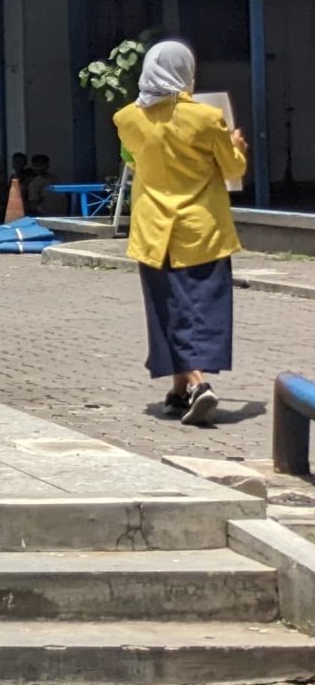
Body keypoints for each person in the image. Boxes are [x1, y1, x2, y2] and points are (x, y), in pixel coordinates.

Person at [115, 40, 249, 427]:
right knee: (202, 308)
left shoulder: (128, 119)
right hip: (202, 231)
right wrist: (236, 146)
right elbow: (231, 167)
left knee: (167, 307)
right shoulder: (207, 118)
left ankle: (180, 389)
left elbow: (130, 157)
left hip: (155, 232)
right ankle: (198, 383)